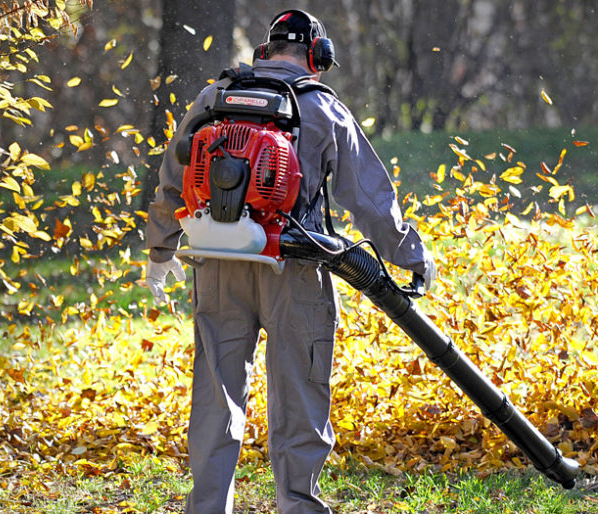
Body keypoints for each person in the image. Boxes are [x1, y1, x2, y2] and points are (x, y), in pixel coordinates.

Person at [143, 9, 435, 513]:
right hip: (294, 268)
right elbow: (368, 198)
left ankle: (208, 507)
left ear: (265, 50)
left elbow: (175, 174)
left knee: (216, 398)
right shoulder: (322, 107)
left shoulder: (215, 97)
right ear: (317, 57)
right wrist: (410, 254)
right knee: (299, 401)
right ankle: (298, 505)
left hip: (217, 262)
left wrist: (159, 251)